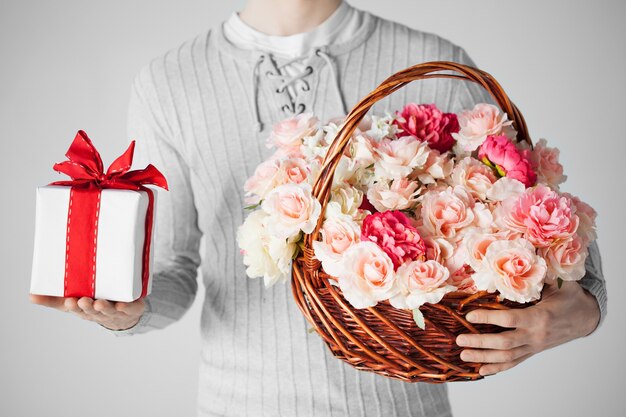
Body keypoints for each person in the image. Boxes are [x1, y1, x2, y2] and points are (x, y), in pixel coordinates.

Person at [31, 0, 607, 416]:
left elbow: (561, 237)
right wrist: (127, 313)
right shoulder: (169, 81)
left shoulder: (431, 61)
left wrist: (579, 315)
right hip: (237, 406)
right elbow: (177, 269)